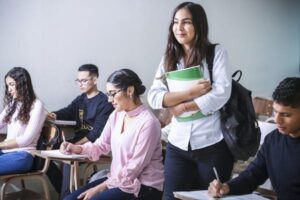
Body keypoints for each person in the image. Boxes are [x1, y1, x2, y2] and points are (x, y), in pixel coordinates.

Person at [147, 2, 234, 199]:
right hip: (178, 144)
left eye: (186, 22)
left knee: (209, 197)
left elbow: (221, 93)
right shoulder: (168, 57)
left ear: (199, 25)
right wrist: (190, 93)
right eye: (176, 22)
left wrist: (182, 106)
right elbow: (154, 96)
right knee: (171, 197)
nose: (179, 28)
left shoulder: (216, 53)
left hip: (211, 143)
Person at [62, 68, 164, 200]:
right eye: (108, 94)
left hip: (144, 186)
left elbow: (134, 167)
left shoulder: (148, 122)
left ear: (130, 90)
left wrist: (100, 187)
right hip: (117, 180)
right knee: (69, 199)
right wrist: (77, 148)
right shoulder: (116, 115)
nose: (109, 100)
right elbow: (101, 145)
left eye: (112, 94)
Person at [208, 77, 300, 199]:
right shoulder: (273, 141)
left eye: (286, 115)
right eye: (275, 112)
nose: (277, 120)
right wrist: (227, 187)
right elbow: (253, 175)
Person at [47, 64, 114, 198]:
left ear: (94, 80)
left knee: (68, 161)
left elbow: (96, 134)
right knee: (47, 153)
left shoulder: (104, 102)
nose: (80, 84)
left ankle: (65, 196)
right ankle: (65, 192)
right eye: (78, 80)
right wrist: (52, 115)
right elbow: (67, 111)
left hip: (94, 146)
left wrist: (76, 146)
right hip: (77, 142)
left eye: (84, 80)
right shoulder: (80, 99)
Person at [0, 67, 46, 175]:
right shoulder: (12, 104)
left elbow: (26, 140)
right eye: (8, 85)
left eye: (12, 84)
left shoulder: (37, 105)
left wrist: (1, 144)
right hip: (6, 153)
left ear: (22, 84)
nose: (9, 89)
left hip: (22, 155)